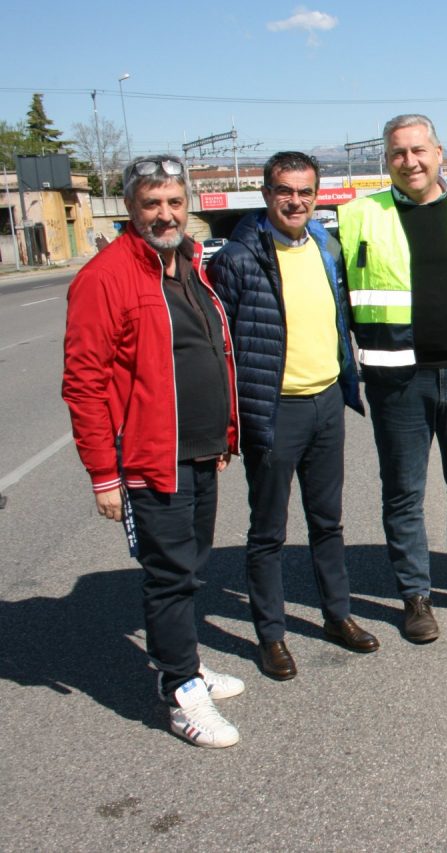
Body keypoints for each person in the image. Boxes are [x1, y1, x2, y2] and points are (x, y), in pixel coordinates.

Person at [63, 155, 243, 748]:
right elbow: (84, 382)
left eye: (173, 202)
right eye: (150, 204)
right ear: (130, 209)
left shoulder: (188, 262)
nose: (164, 214)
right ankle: (179, 693)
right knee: (169, 577)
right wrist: (103, 475)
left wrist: (223, 434)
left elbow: (208, 349)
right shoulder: (107, 276)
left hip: (198, 447)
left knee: (192, 569)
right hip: (147, 457)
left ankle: (185, 663)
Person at [338, 115, 447, 642]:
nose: (409, 161)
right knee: (404, 494)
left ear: (439, 152)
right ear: (385, 161)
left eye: (418, 150)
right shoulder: (355, 218)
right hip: (397, 382)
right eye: (397, 154)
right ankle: (415, 595)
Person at [209, 151, 378, 681]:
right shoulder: (237, 259)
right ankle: (271, 635)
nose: (296, 201)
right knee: (269, 531)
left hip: (326, 401)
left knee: (328, 522)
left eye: (306, 192)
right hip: (275, 411)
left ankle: (337, 615)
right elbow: (221, 349)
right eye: (286, 190)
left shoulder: (326, 247)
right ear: (266, 193)